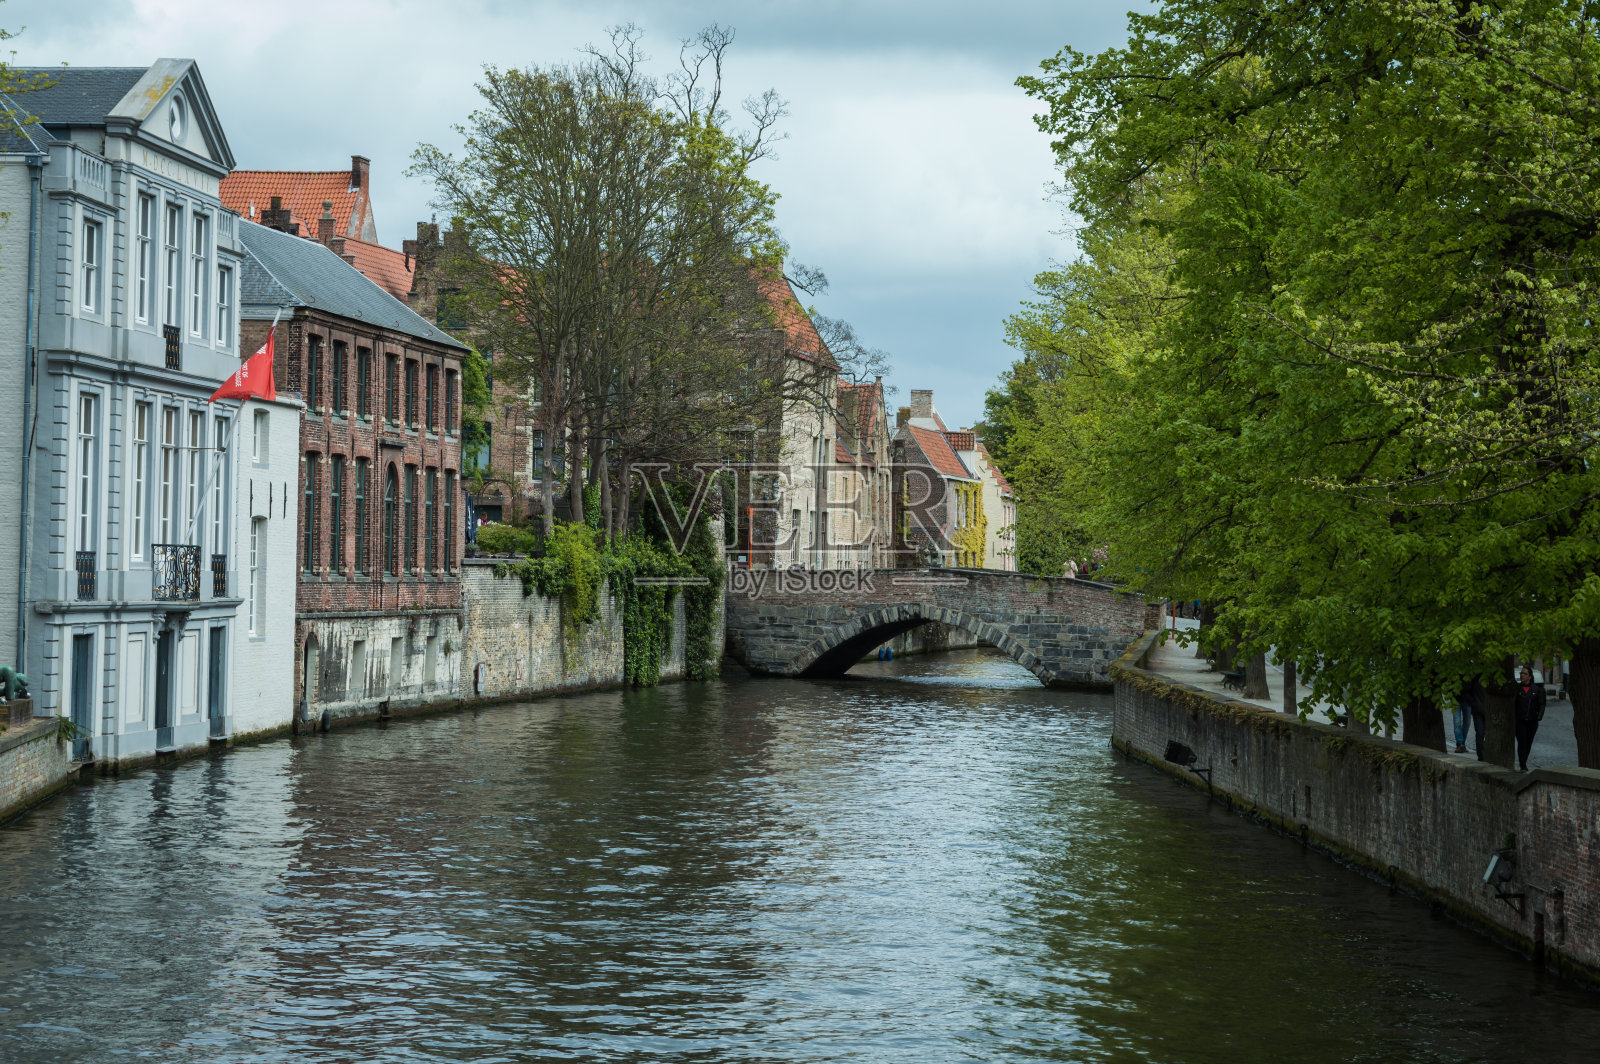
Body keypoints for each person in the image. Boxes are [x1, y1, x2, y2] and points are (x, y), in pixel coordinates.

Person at [1512, 665, 1546, 771]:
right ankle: (1522, 764)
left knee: (1528, 743)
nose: (1522, 675)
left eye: (1525, 674)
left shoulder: (1537, 690)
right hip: (1520, 720)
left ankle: (1524, 761)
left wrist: (1540, 715)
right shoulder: (1517, 689)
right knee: (1522, 742)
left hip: (1532, 721)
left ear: (1530, 676)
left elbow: (1542, 704)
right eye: (1521, 673)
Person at [1454, 677, 1486, 759]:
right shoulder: (1473, 678)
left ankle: (1462, 744)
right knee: (1457, 722)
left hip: (1468, 702)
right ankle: (1460, 744)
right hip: (1456, 699)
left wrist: (1472, 702)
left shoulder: (1472, 676)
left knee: (1467, 723)